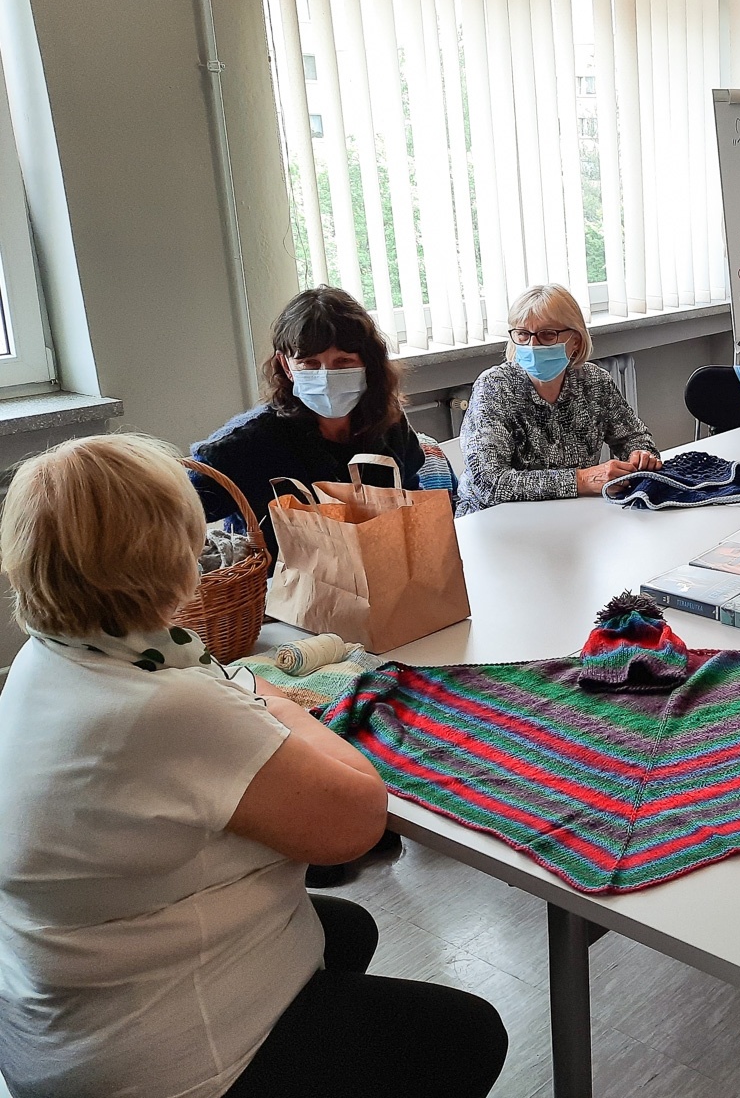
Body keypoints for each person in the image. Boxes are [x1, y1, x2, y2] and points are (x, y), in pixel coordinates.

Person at [0, 435, 506, 1098]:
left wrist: (240, 696)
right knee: (468, 1033)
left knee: (345, 929)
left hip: (57, 1022)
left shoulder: (52, 659)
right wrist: (265, 696)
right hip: (149, 1065)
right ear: (170, 558)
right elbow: (358, 820)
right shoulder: (163, 705)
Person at [191, 286, 426, 559]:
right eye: (310, 363)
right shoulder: (244, 445)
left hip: (383, 579)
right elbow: (171, 517)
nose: (327, 376)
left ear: (367, 364)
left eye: (343, 362)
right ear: (287, 366)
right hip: (285, 593)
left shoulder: (388, 424)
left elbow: (413, 505)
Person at [456, 283, 659, 513]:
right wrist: (582, 480)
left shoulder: (594, 382)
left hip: (571, 515)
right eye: (523, 334)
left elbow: (634, 437)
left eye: (547, 335)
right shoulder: (495, 386)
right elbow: (489, 483)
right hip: (492, 522)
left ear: (576, 341)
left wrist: (640, 457)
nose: (532, 345)